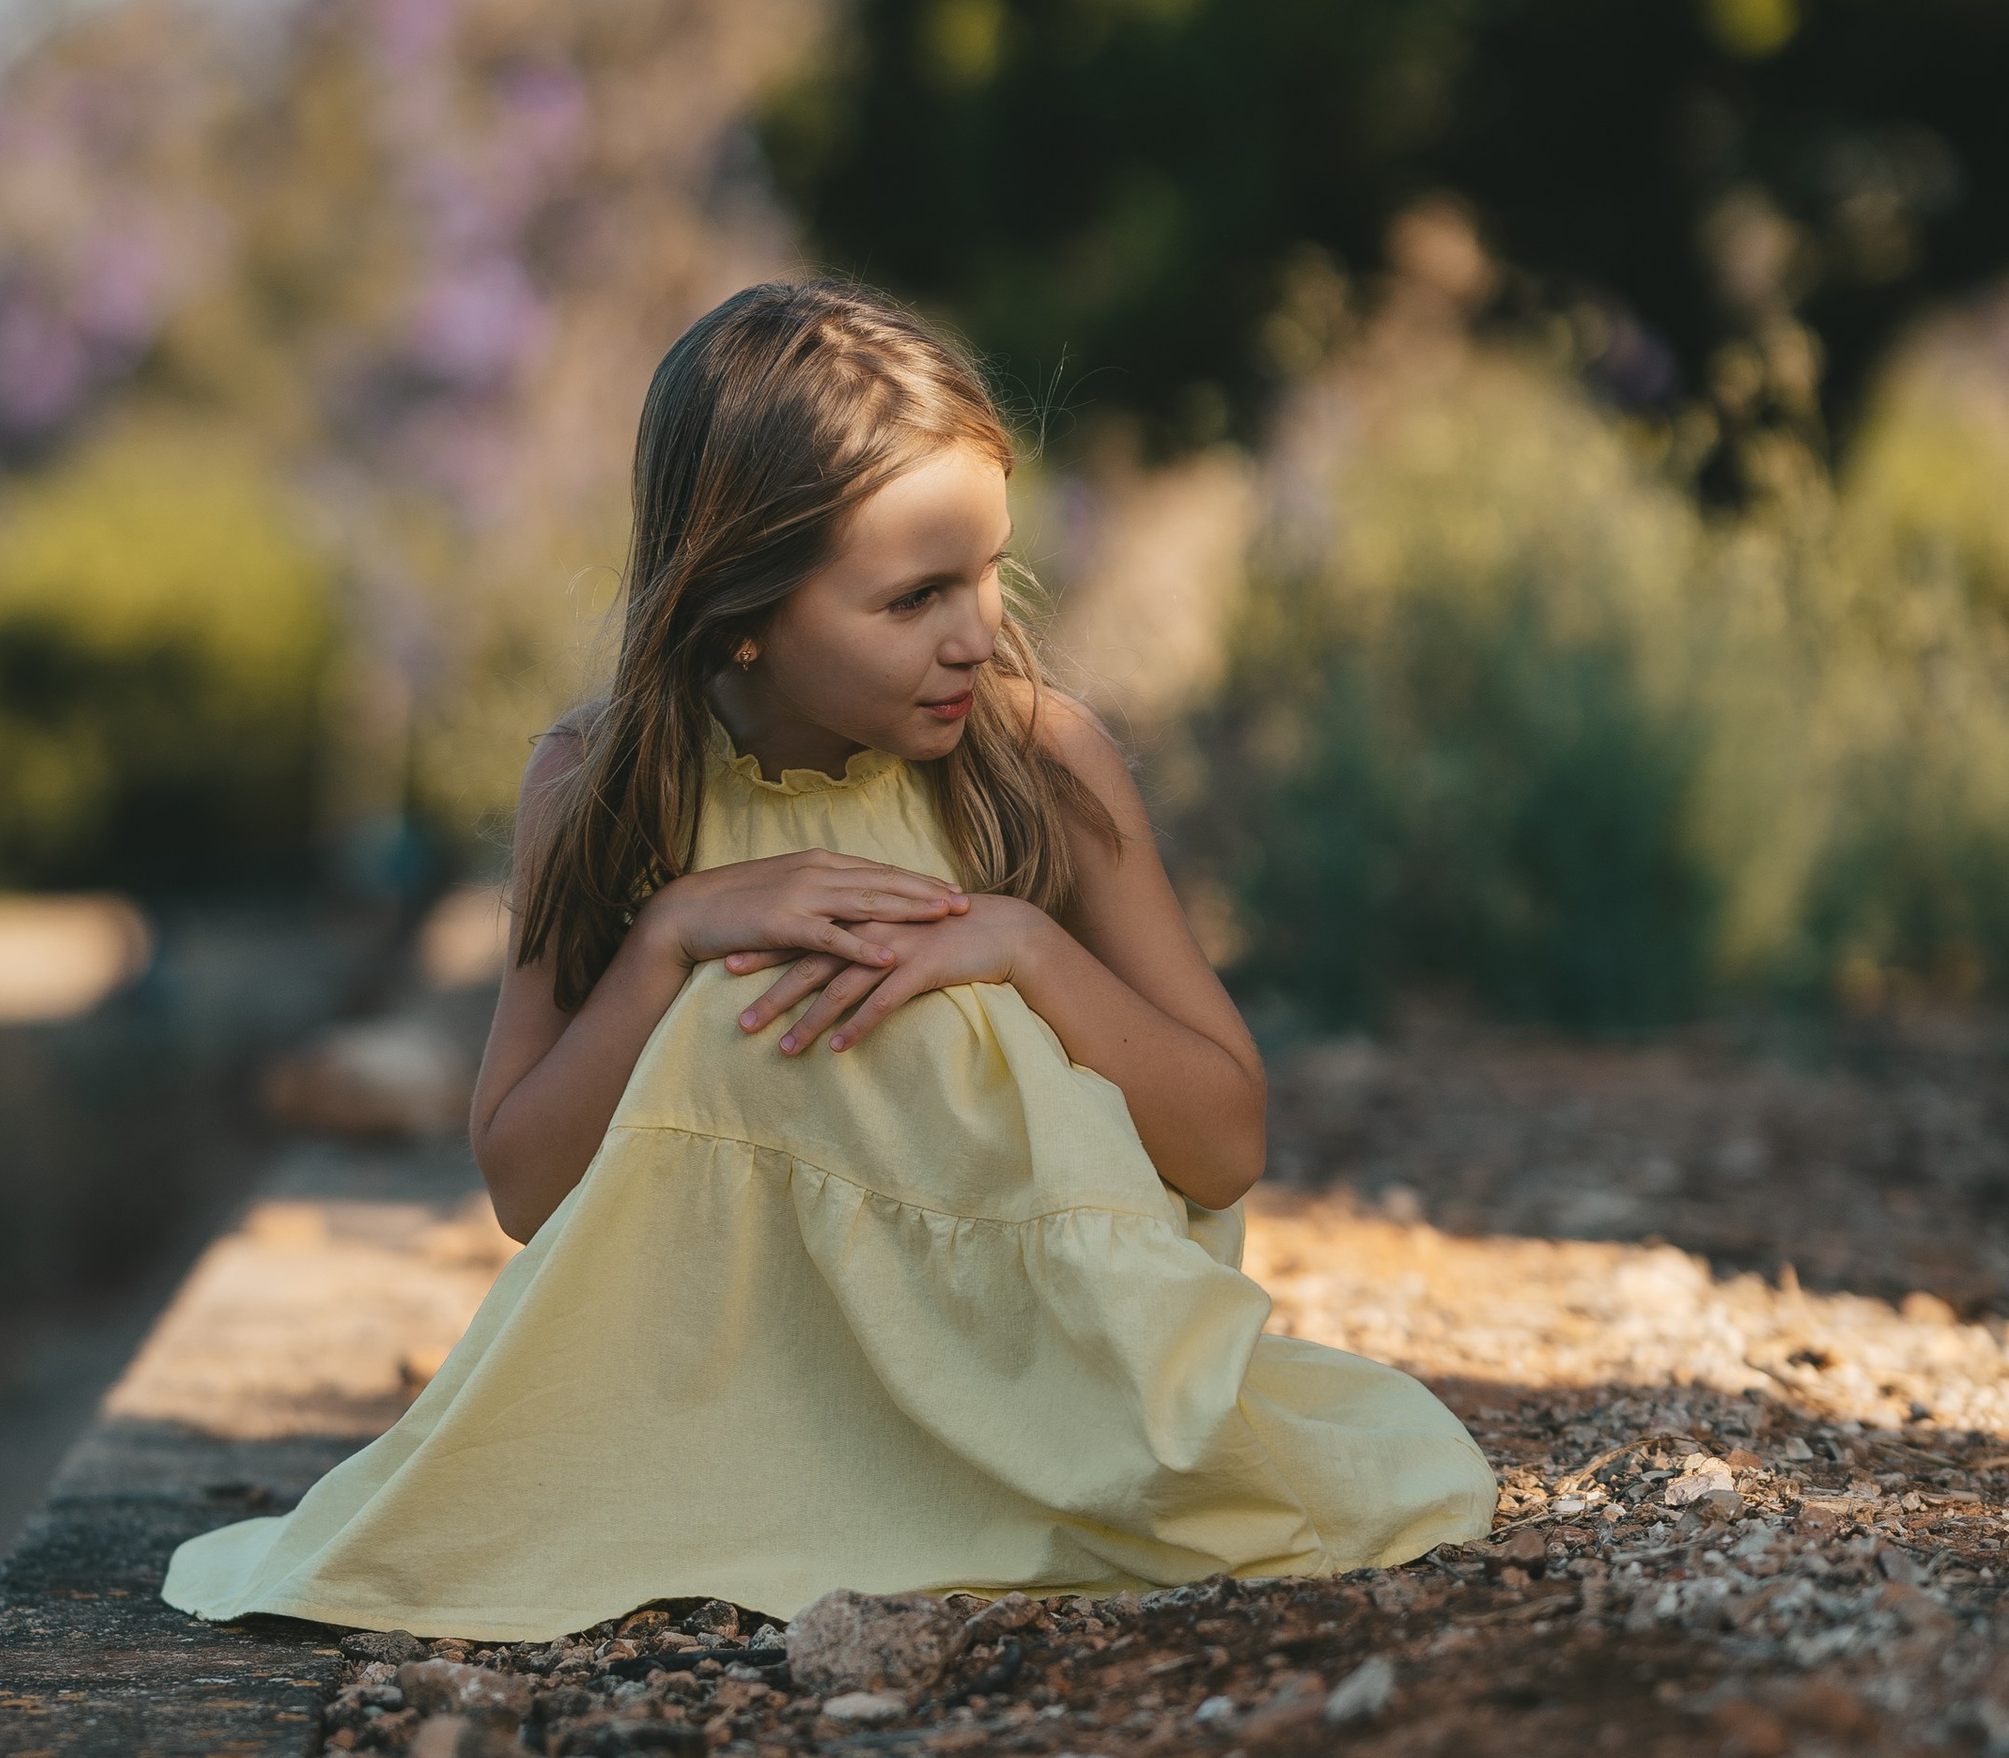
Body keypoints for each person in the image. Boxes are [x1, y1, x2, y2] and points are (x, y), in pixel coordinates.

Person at [163, 280, 1493, 1640]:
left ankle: (987, 1481)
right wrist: (673, 938)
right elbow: (522, 1180)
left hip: (1042, 1386)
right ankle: (780, 1490)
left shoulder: (1037, 764)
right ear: (742, 611)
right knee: (729, 1005)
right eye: (916, 596)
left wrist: (1020, 950)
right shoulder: (598, 789)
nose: (975, 632)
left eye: (988, 572)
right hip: (732, 1419)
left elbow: (1226, 1141)